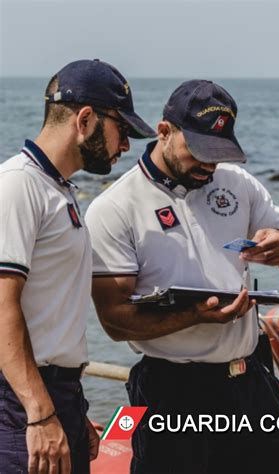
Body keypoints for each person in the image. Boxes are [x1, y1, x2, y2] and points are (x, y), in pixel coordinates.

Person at [85, 79, 279, 474]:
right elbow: (113, 322)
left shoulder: (237, 183)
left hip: (250, 380)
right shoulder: (115, 207)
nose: (210, 165)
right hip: (171, 390)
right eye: (199, 152)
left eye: (220, 153)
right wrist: (197, 315)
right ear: (164, 131)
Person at [0, 59, 156, 474]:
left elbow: (52, 314)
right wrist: (39, 412)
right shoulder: (18, 185)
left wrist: (69, 407)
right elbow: (2, 307)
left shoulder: (58, 189)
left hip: (56, 393)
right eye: (121, 130)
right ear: (85, 119)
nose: (126, 146)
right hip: (20, 404)